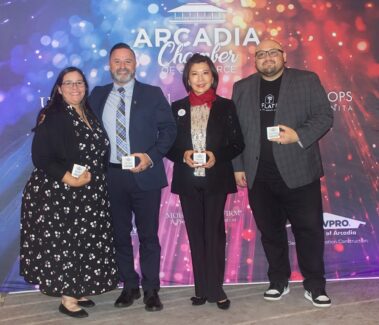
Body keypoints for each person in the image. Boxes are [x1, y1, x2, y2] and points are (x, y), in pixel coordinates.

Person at [232, 39, 333, 308]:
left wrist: (299, 135)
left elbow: (324, 116)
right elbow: (236, 133)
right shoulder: (242, 88)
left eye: (272, 53)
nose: (267, 58)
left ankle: (315, 285)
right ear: (255, 60)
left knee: (308, 230)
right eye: (261, 54)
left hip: (299, 171)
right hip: (259, 175)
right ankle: (278, 280)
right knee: (270, 232)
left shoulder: (306, 80)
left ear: (283, 56)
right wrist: (238, 166)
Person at [20, 67, 118, 318]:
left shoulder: (88, 112)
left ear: (85, 87)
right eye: (69, 83)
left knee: (84, 243)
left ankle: (77, 288)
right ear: (59, 88)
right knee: (66, 244)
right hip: (61, 194)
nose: (75, 88)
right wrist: (68, 179)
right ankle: (67, 297)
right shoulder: (52, 115)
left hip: (89, 194)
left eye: (79, 83)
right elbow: (41, 157)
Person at [89, 43, 176, 312]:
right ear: (109, 65)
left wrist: (150, 157)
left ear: (135, 64)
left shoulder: (152, 94)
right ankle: (129, 286)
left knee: (149, 235)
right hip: (112, 176)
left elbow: (169, 130)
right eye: (117, 61)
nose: (122, 66)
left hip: (145, 175)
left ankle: (151, 290)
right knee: (119, 235)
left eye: (128, 61)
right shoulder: (97, 95)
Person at [167, 54, 244, 310]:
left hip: (215, 180)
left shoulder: (225, 106)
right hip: (188, 181)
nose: (200, 79)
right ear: (187, 79)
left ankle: (216, 289)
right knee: (195, 236)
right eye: (194, 74)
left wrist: (216, 156)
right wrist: (183, 155)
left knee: (213, 234)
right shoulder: (176, 107)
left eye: (205, 73)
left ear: (213, 76)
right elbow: (167, 145)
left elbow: (237, 143)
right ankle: (201, 288)